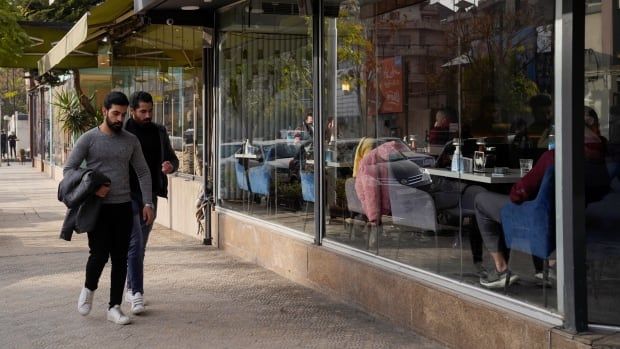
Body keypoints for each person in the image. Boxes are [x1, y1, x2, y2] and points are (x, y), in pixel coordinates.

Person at [64, 91, 154, 325]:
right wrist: (93, 188)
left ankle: (114, 307)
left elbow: (143, 172)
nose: (119, 119)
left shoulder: (130, 141)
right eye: (115, 113)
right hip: (98, 208)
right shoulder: (88, 139)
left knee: (120, 257)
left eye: (123, 115)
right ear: (104, 112)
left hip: (123, 207)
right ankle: (89, 288)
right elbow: (69, 170)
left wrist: (148, 202)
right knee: (99, 254)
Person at [123, 91, 179, 314]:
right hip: (126, 195)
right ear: (133, 111)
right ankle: (137, 292)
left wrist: (170, 166)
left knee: (139, 245)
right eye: (142, 111)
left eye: (150, 111)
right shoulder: (124, 132)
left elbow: (173, 159)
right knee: (135, 243)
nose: (147, 115)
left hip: (150, 195)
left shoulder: (159, 132)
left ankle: (130, 286)